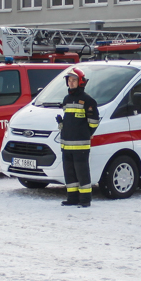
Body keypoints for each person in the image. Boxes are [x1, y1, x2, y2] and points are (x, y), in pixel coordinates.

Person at [57, 68, 99, 207]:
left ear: (80, 82)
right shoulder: (66, 99)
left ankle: (85, 200)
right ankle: (72, 198)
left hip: (81, 145)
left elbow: (94, 122)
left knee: (82, 174)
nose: (71, 83)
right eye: (69, 80)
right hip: (66, 144)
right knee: (69, 174)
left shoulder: (88, 100)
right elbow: (69, 120)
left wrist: (85, 133)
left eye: (74, 80)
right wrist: (61, 124)